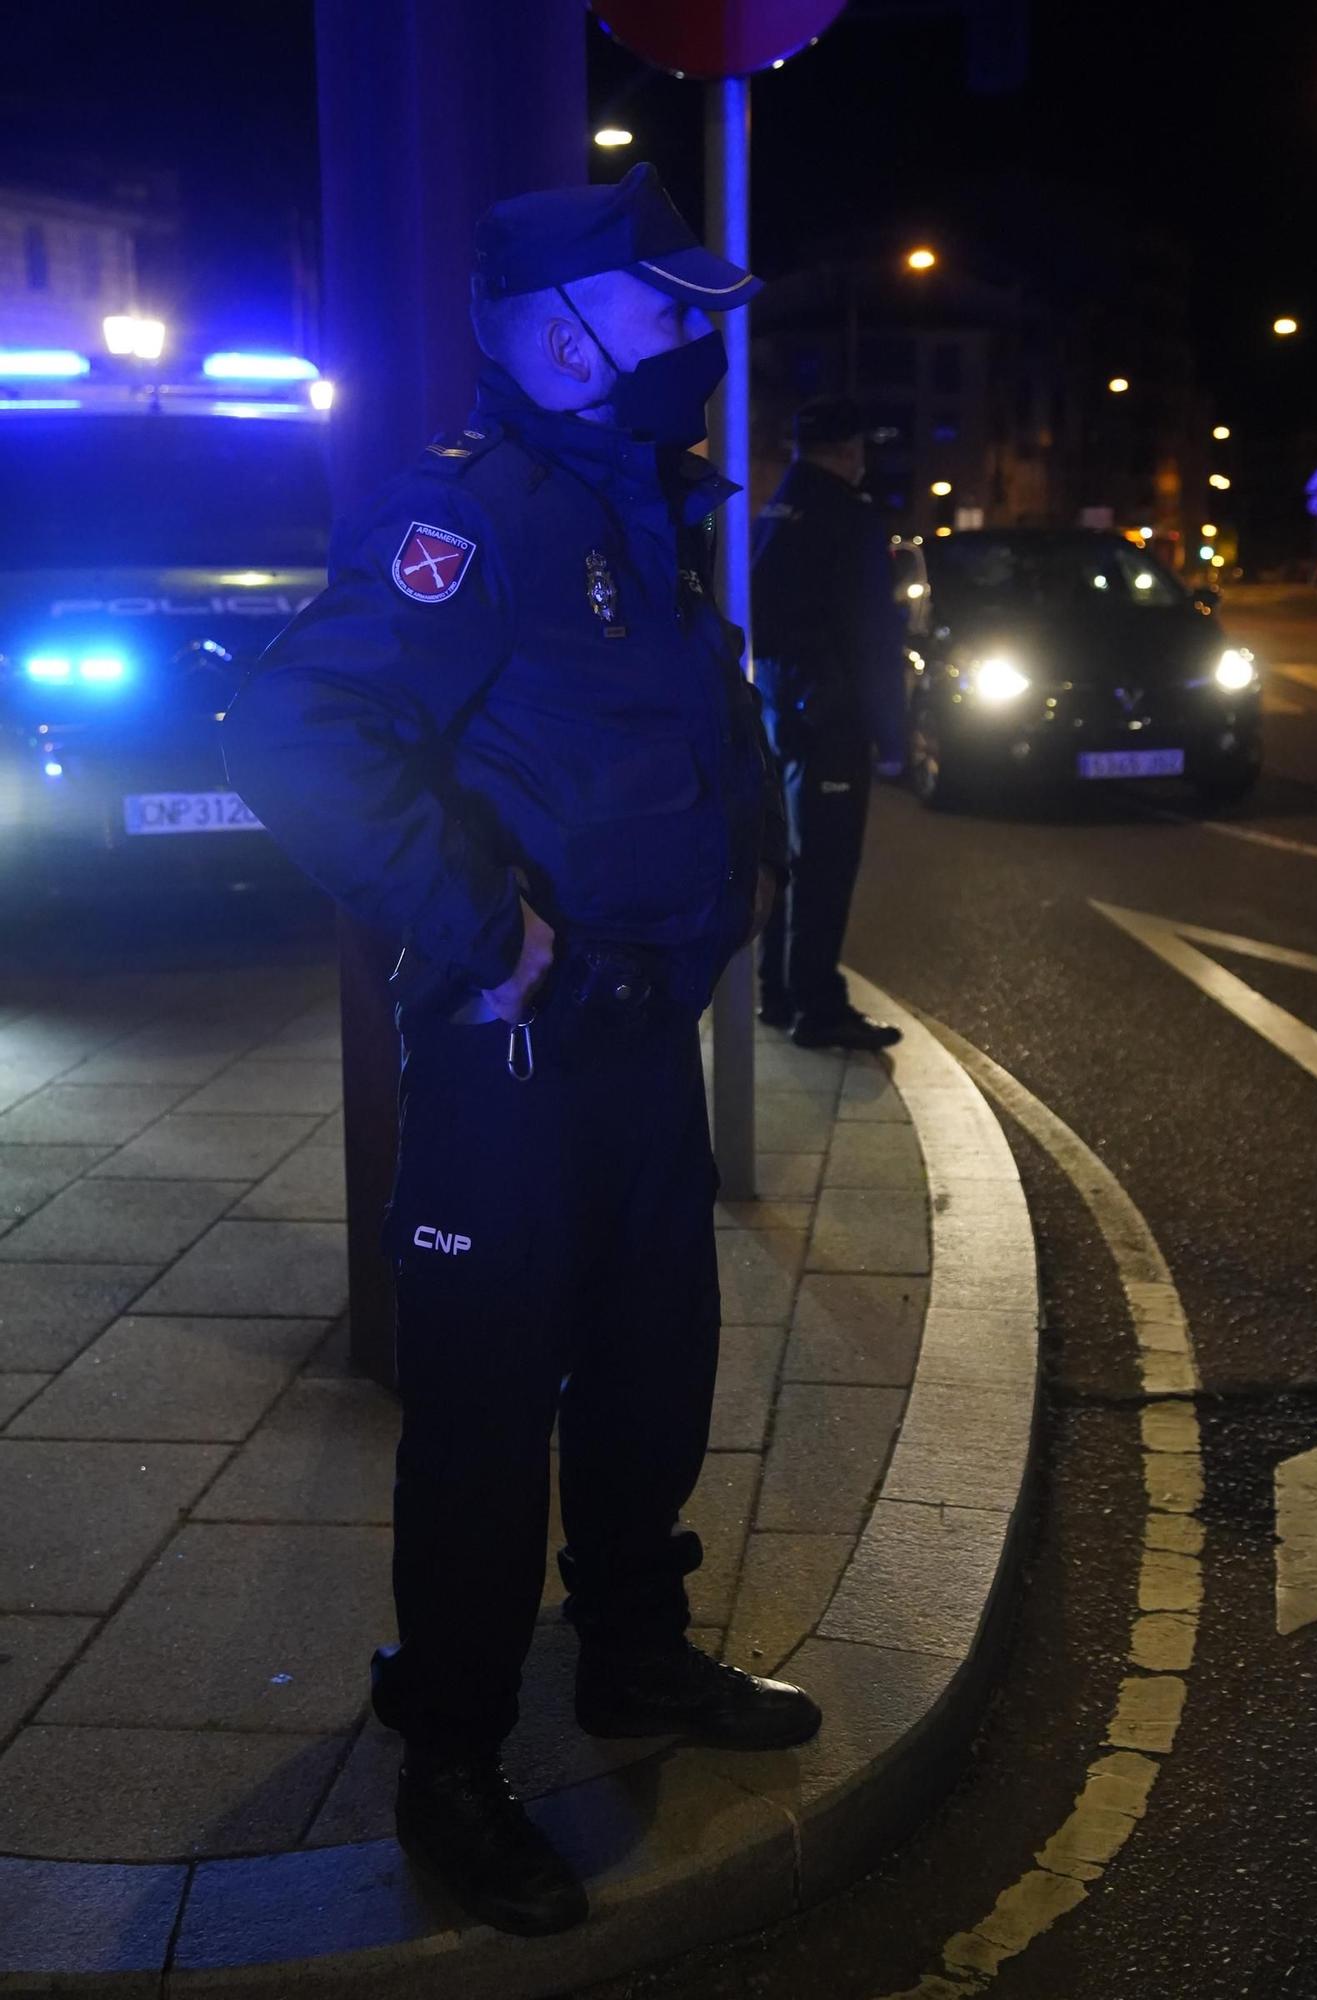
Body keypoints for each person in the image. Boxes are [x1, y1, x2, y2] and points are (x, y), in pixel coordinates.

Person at [221, 161, 821, 1941]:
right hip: (511, 1062)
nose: (701, 338)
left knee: (653, 1377)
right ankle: (453, 1764)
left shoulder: (634, 501)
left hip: (636, 1052)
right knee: (483, 1426)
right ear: (558, 332)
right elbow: (304, 736)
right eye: (667, 309)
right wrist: (493, 931)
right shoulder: (465, 516)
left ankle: (633, 1658)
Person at [752, 397, 904, 1050]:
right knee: (827, 863)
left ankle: (779, 993)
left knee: (788, 858)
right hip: (834, 716)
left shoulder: (773, 512)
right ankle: (817, 1005)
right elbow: (872, 635)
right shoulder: (849, 518)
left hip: (779, 706)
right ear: (848, 450)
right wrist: (891, 733)